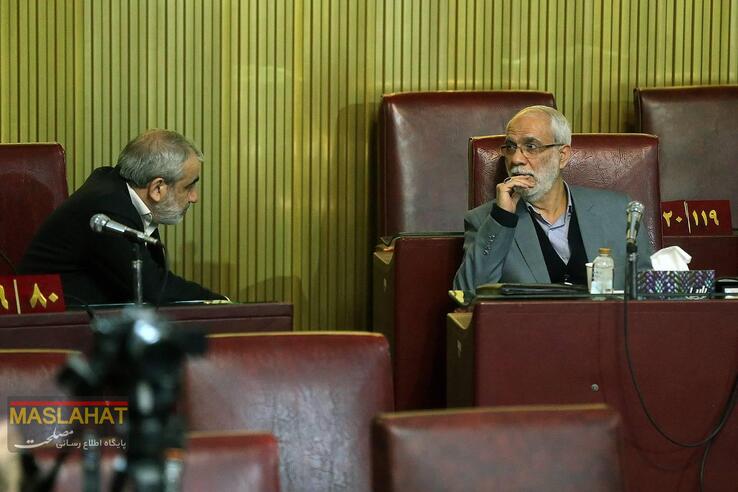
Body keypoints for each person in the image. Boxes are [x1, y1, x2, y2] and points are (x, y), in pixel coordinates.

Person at [453, 105, 651, 296]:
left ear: (562, 156)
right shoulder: (486, 221)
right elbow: (467, 295)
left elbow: (647, 294)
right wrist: (502, 219)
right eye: (511, 147)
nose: (516, 159)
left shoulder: (618, 211)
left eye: (531, 147)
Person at [21, 129, 226, 305]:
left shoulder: (119, 189)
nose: (194, 197)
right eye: (189, 186)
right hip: (48, 322)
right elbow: (151, 289)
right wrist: (221, 304)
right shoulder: (107, 207)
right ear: (157, 188)